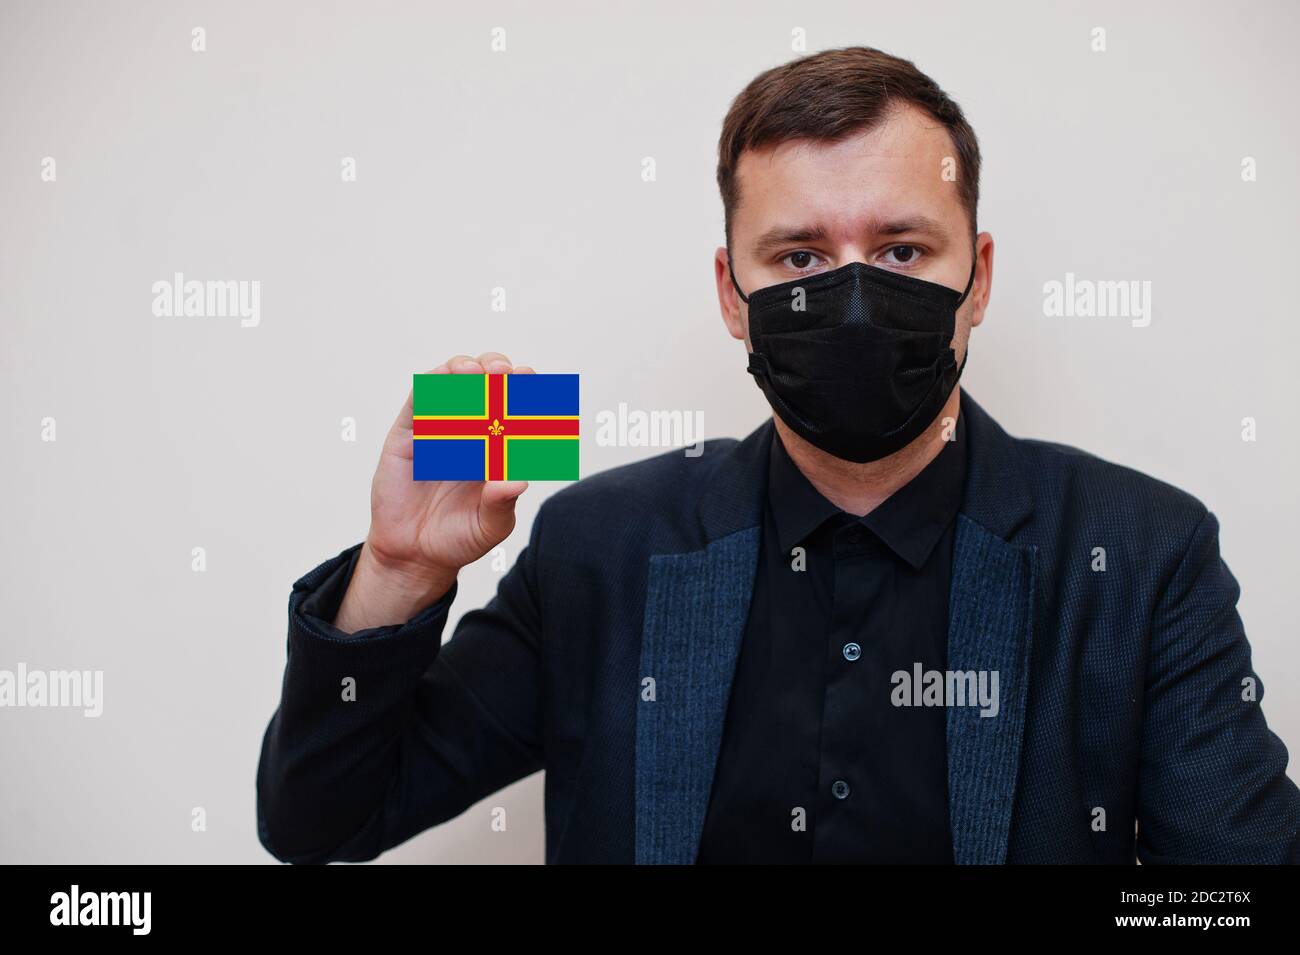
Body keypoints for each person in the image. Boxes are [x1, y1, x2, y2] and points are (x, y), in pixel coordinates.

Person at [256, 46, 1299, 864]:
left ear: (977, 279)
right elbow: (321, 820)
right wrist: (397, 575)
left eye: (900, 251)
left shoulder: (1138, 554)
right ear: (730, 293)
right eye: (799, 256)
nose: (850, 302)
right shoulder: (600, 547)